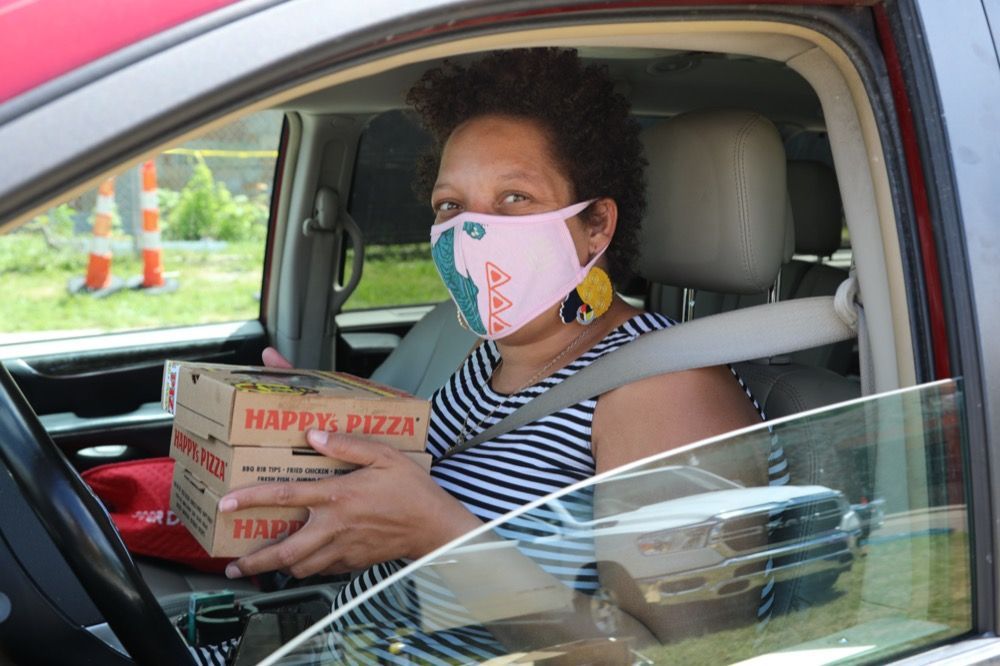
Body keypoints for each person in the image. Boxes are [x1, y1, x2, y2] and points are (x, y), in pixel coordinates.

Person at [217, 48, 762, 656]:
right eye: (451, 206)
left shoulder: (667, 389)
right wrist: (315, 438)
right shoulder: (491, 354)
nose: (472, 233)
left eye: (515, 199)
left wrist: (441, 538)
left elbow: (673, 659)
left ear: (596, 227)